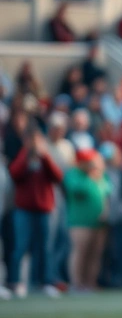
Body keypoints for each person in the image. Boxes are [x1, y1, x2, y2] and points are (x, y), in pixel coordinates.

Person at [8, 126, 65, 298]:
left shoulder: (45, 156)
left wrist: (44, 157)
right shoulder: (22, 155)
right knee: (20, 246)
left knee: (46, 247)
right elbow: (14, 174)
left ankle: (46, 282)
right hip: (24, 209)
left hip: (45, 209)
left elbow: (58, 176)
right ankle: (15, 282)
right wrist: (27, 155)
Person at [64, 148, 111, 292]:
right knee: (80, 252)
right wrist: (91, 178)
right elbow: (76, 190)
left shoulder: (101, 175)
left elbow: (109, 190)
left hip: (99, 222)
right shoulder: (73, 175)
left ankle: (90, 283)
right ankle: (76, 283)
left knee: (95, 254)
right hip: (80, 222)